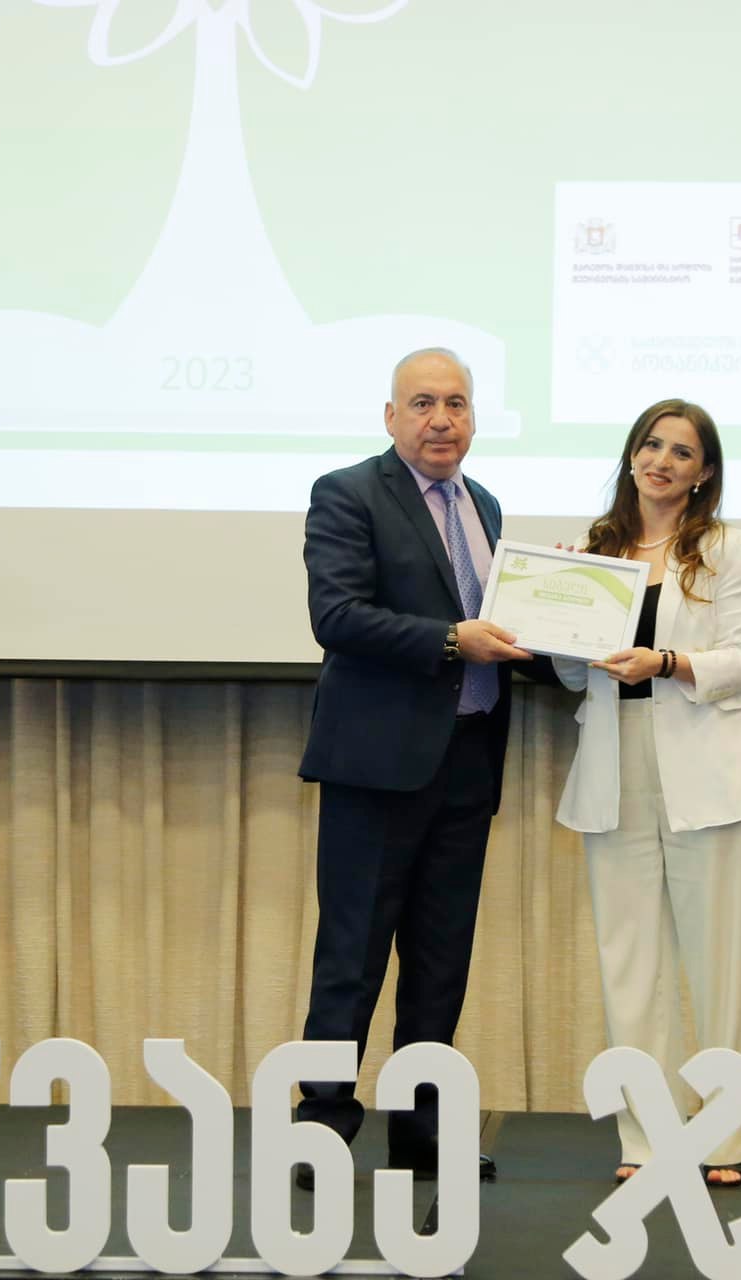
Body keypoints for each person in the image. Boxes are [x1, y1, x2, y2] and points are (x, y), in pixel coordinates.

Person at [294, 347, 531, 1185]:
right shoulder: (348, 493)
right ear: (391, 417)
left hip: (468, 759)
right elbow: (336, 615)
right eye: (423, 403)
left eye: (456, 403)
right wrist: (449, 640)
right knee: (351, 958)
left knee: (440, 961)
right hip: (376, 767)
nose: (441, 420)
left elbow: (496, 623)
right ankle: (322, 1130)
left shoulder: (485, 505)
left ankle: (422, 1131)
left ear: (474, 418)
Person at [554, 398, 741, 1188]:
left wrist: (668, 663)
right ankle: (645, 1138)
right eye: (651, 445)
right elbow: (569, 672)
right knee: (629, 963)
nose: (662, 461)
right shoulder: (596, 548)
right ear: (631, 456)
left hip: (708, 770)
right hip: (613, 763)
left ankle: (725, 1138)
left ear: (703, 473)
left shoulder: (725, 548)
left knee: (719, 961)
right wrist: (557, 618)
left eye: (682, 452)